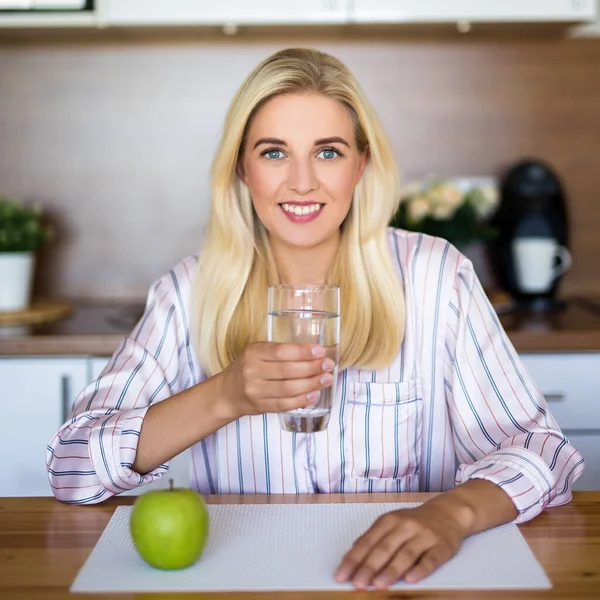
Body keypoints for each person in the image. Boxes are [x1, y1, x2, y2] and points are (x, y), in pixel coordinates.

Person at [47, 47, 584, 590]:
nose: (302, 182)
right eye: (274, 153)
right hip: (248, 576)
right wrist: (225, 395)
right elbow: (72, 467)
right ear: (241, 166)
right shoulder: (187, 292)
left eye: (327, 153)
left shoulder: (436, 276)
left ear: (361, 164)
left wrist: (452, 514)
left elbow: (542, 451)